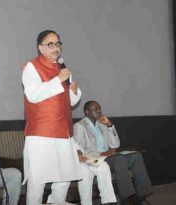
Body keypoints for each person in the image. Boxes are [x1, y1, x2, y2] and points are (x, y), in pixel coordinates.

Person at [21, 30, 82, 205]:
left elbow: (72, 102)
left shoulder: (63, 68)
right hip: (41, 133)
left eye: (58, 44)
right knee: (38, 180)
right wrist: (57, 80)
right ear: (40, 48)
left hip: (63, 131)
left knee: (64, 177)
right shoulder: (31, 67)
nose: (56, 48)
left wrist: (74, 91)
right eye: (51, 44)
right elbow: (33, 95)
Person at [73, 101, 153, 205]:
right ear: (87, 112)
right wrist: (102, 153)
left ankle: (142, 195)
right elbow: (80, 150)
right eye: (95, 109)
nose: (99, 111)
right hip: (96, 158)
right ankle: (127, 197)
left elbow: (115, 145)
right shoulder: (79, 126)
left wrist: (110, 125)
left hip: (109, 156)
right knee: (119, 159)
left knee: (136, 156)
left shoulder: (102, 124)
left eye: (99, 108)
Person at [74, 141, 118, 205]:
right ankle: (86, 203)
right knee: (85, 170)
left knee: (103, 165)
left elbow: (78, 147)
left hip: (83, 158)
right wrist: (75, 156)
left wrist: (79, 152)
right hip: (69, 162)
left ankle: (108, 201)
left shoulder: (68, 135)